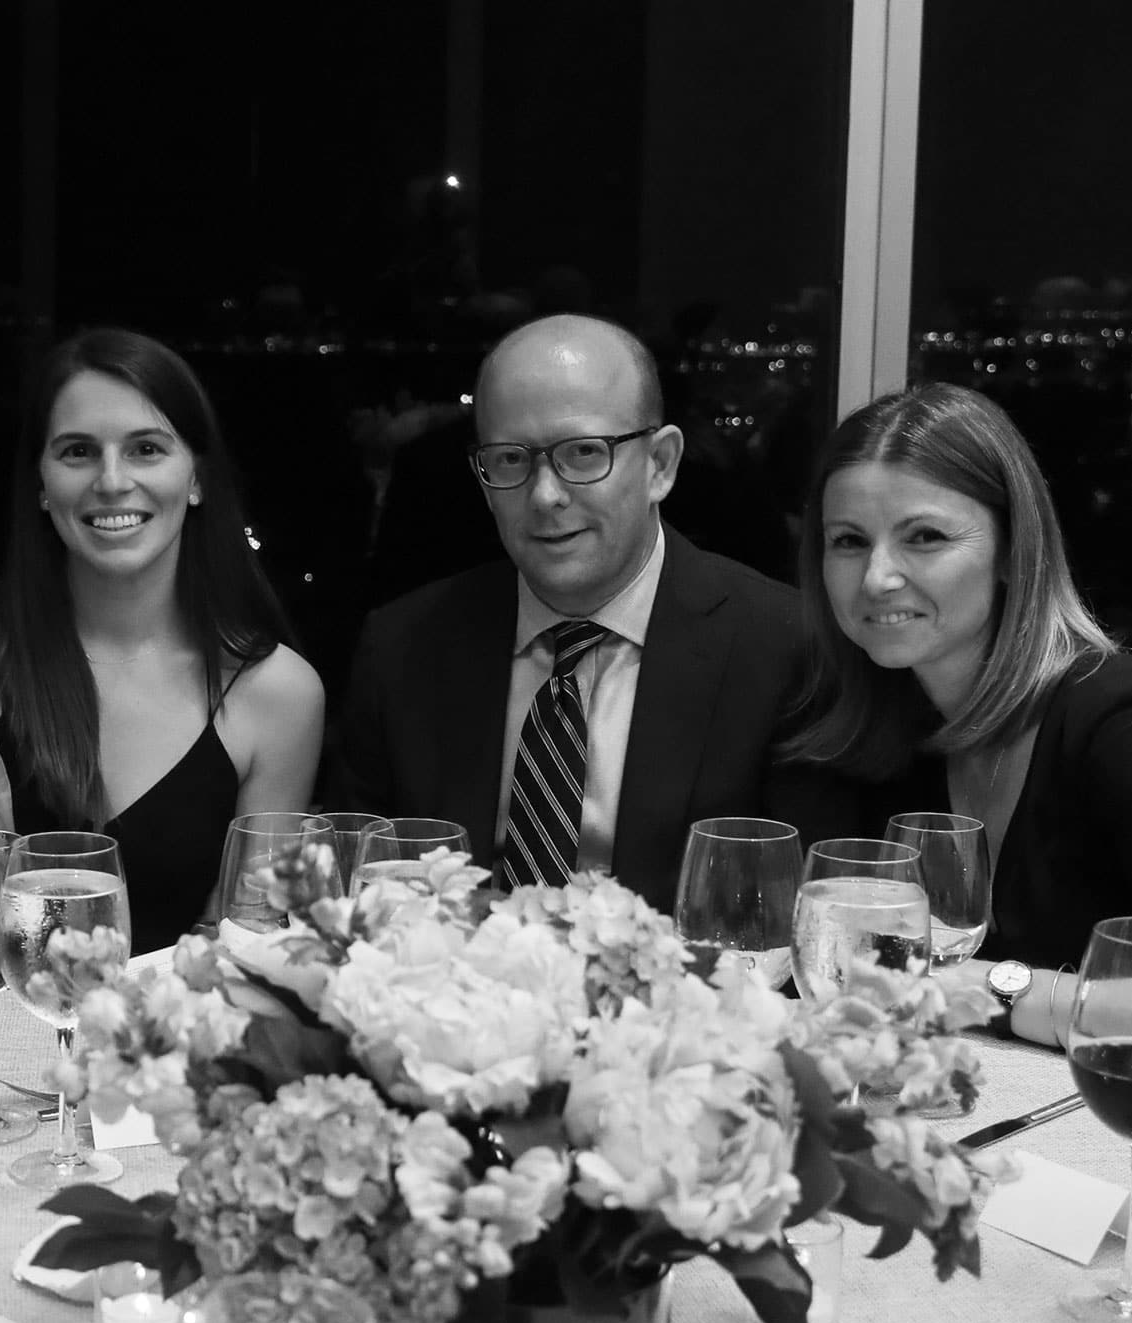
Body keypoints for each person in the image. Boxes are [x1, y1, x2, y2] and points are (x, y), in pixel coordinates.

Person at [784, 382, 1132, 1043]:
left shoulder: (1127, 721)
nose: (877, 577)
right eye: (848, 541)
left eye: (924, 537)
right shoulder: (884, 720)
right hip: (1039, 1103)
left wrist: (991, 988)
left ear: (1014, 555)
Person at [328, 314, 818, 913]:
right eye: (510, 460)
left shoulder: (781, 647)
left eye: (584, 453)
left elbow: (802, 921)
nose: (545, 495)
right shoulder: (404, 647)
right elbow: (355, 901)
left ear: (660, 464)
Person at [0, 327, 323, 952]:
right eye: (78, 452)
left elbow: (250, 949)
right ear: (40, 483)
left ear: (196, 479)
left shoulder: (279, 694)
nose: (112, 480)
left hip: (175, 1042)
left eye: (146, 449)